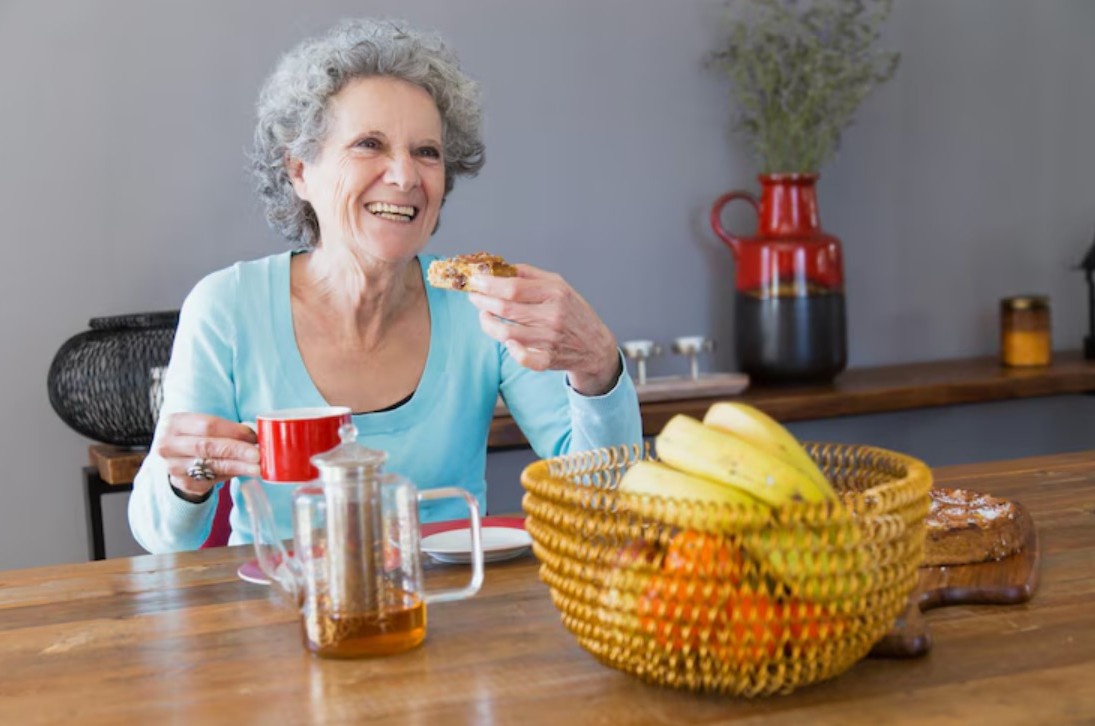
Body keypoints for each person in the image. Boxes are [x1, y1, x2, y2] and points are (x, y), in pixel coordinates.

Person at [128, 18, 642, 553]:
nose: (404, 176)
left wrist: (598, 365)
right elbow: (164, 540)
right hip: (280, 612)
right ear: (301, 170)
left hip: (453, 607)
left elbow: (608, 503)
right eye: (370, 144)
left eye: (427, 152)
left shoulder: (479, 306)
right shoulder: (228, 308)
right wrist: (183, 480)